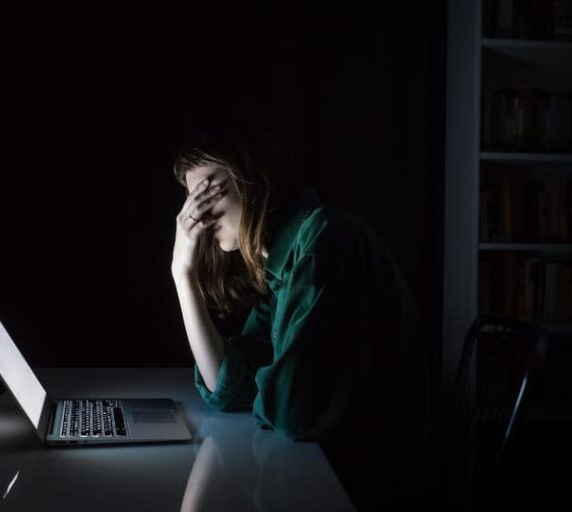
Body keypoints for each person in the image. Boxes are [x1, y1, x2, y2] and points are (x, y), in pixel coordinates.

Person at [170, 128, 432, 509]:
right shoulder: (283, 262)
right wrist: (183, 274)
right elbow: (229, 387)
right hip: (326, 472)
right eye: (192, 198)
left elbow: (295, 412)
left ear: (253, 178)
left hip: (367, 485)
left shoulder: (323, 240)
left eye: (209, 191)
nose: (199, 213)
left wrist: (271, 387)